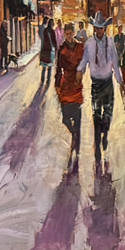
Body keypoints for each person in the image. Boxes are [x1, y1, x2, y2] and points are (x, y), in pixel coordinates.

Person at [53, 21, 86, 157]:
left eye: (71, 33)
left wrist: (81, 71)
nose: (69, 35)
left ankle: (76, 142)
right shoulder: (62, 49)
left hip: (77, 83)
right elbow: (58, 68)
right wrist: (57, 85)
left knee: (77, 116)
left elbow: (84, 62)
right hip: (66, 83)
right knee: (65, 118)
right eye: (66, 34)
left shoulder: (80, 47)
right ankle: (73, 134)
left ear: (74, 33)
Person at [86, 19, 119, 158]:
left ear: (104, 29)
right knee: (96, 111)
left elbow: (115, 62)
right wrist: (79, 71)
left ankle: (105, 133)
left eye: (102, 28)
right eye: (97, 28)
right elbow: (84, 60)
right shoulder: (89, 43)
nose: (100, 31)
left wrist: (119, 80)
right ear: (94, 28)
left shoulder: (110, 42)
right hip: (95, 82)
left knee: (108, 111)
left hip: (108, 81)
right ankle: (97, 140)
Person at [37, 16, 56, 86]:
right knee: (50, 66)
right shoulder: (52, 31)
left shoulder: (45, 30)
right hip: (50, 50)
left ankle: (42, 80)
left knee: (44, 66)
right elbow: (54, 41)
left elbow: (43, 38)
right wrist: (56, 49)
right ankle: (48, 81)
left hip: (44, 49)